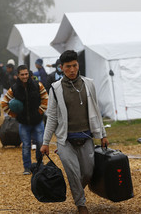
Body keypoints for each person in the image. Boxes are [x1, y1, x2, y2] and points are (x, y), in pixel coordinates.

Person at [40, 50, 108, 214]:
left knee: (87, 172)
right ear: (61, 68)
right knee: (73, 172)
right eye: (68, 66)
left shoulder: (88, 84)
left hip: (86, 137)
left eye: (75, 65)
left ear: (78, 65)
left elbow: (96, 111)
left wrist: (103, 135)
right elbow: (52, 118)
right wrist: (45, 142)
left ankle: (77, 190)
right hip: (65, 141)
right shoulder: (55, 89)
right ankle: (81, 204)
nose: (72, 69)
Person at [1, 65, 48, 175]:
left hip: (37, 121)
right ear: (18, 75)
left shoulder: (37, 85)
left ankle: (39, 164)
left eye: (26, 74)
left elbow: (45, 98)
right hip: (23, 122)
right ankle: (27, 167)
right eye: (22, 74)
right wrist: (15, 115)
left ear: (29, 74)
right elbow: (4, 103)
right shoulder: (14, 88)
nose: (25, 76)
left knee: (40, 143)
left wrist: (39, 112)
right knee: (26, 145)